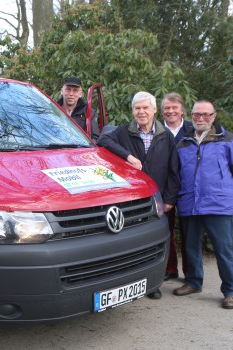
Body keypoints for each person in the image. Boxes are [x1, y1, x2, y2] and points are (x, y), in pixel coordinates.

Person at [97, 91, 180, 300]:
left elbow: (174, 170)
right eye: (137, 108)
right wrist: (128, 156)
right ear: (133, 111)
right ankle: (128, 282)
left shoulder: (165, 135)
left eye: (145, 108)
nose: (141, 112)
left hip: (157, 200)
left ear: (154, 110)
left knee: (156, 243)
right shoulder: (124, 131)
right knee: (134, 243)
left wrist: (169, 199)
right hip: (133, 202)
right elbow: (103, 139)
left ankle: (153, 284)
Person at [173, 100, 233, 310]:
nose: (200, 118)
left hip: (219, 206)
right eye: (197, 114)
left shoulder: (228, 139)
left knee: (223, 249)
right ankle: (193, 282)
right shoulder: (183, 142)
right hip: (190, 204)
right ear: (191, 116)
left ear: (213, 116)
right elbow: (176, 175)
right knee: (190, 248)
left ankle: (231, 291)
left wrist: (226, 196)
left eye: (206, 115)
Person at [160, 92, 193, 280]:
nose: (170, 111)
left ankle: (191, 273)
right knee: (167, 231)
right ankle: (170, 269)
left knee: (189, 232)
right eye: (167, 108)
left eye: (174, 108)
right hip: (165, 188)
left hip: (188, 188)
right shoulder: (156, 130)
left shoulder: (192, 129)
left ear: (182, 111)